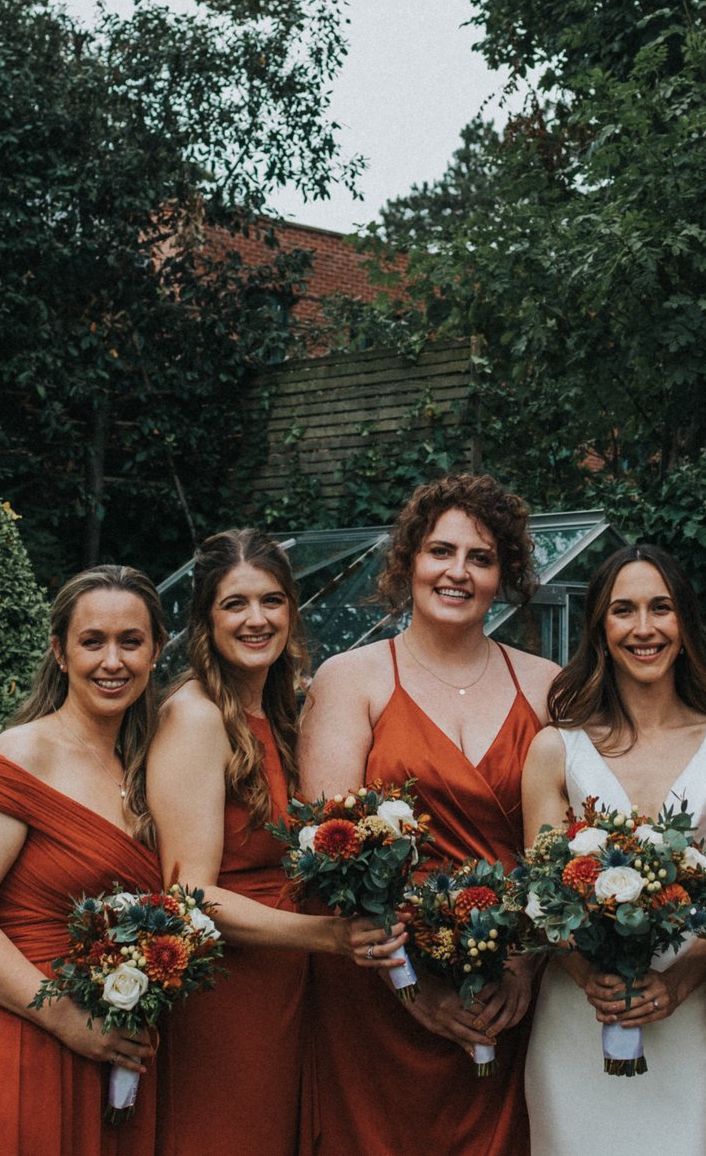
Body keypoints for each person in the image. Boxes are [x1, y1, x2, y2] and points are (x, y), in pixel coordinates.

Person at [301, 473, 563, 1156]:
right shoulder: (350, 678)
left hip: (503, 986)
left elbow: (561, 854)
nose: (458, 571)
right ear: (409, 560)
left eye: (481, 557)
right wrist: (412, 987)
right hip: (381, 990)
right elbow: (331, 858)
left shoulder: (545, 684)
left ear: (504, 573)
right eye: (440, 550)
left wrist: (525, 969)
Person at [146, 529, 403, 1156]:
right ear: (206, 617)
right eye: (235, 604)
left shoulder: (279, 711)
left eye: (272, 600)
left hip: (287, 983)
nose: (257, 619)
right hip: (226, 992)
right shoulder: (195, 716)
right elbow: (190, 895)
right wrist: (332, 938)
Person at [0, 566, 170, 1156]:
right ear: (59, 651)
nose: (112, 661)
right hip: (21, 1034)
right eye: (91, 641)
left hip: (113, 1045)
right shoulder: (26, 751)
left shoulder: (150, 766)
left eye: (131, 642)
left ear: (156, 650)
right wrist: (67, 1020)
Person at [520, 544, 706, 1156]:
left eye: (661, 608)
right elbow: (543, 898)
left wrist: (678, 982)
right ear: (601, 629)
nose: (645, 628)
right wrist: (589, 978)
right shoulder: (556, 750)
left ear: (685, 623)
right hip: (578, 1019)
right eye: (623, 611)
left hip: (689, 1016)